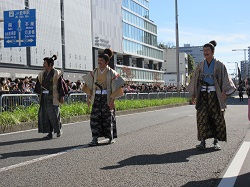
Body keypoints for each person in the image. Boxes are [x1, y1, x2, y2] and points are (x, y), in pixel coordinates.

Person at [187, 40, 236, 150]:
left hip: (215, 94)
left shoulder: (220, 65)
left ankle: (216, 141)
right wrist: (194, 95)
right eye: (204, 50)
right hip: (203, 94)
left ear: (213, 51)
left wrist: (225, 92)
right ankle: (202, 141)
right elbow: (195, 80)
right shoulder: (200, 65)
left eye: (207, 50)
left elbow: (225, 79)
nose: (205, 52)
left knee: (216, 117)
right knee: (201, 117)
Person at [82, 48, 125, 146]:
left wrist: (112, 100)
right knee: (94, 118)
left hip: (107, 97)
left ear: (106, 62)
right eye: (98, 61)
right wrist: (88, 98)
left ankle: (110, 137)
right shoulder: (94, 72)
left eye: (101, 61)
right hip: (96, 97)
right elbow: (88, 84)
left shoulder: (112, 73)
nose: (99, 63)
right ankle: (94, 138)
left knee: (108, 117)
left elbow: (117, 87)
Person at [34, 55, 68, 139]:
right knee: (45, 115)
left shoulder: (57, 73)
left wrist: (61, 96)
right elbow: (38, 85)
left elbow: (61, 85)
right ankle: (49, 133)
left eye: (45, 63)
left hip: (53, 97)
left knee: (54, 115)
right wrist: (39, 90)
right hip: (44, 97)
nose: (43, 65)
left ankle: (58, 130)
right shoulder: (42, 74)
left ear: (50, 65)